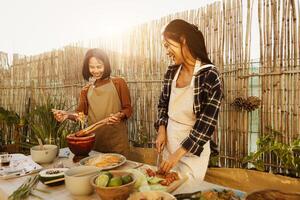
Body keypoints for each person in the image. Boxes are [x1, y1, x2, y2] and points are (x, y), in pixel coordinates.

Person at [155, 19, 223, 180]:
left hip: (192, 151)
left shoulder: (210, 76)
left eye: (167, 45)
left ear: (183, 39)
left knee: (186, 192)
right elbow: (162, 105)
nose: (166, 51)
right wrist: (161, 130)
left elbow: (205, 125)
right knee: (164, 189)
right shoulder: (171, 72)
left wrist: (177, 155)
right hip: (169, 145)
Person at [53, 48, 132, 156]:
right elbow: (80, 115)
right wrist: (66, 115)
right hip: (95, 143)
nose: (95, 70)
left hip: (116, 142)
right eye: (92, 67)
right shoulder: (86, 90)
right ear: (87, 67)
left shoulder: (118, 83)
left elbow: (128, 109)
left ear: (106, 65)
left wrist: (119, 116)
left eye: (99, 66)